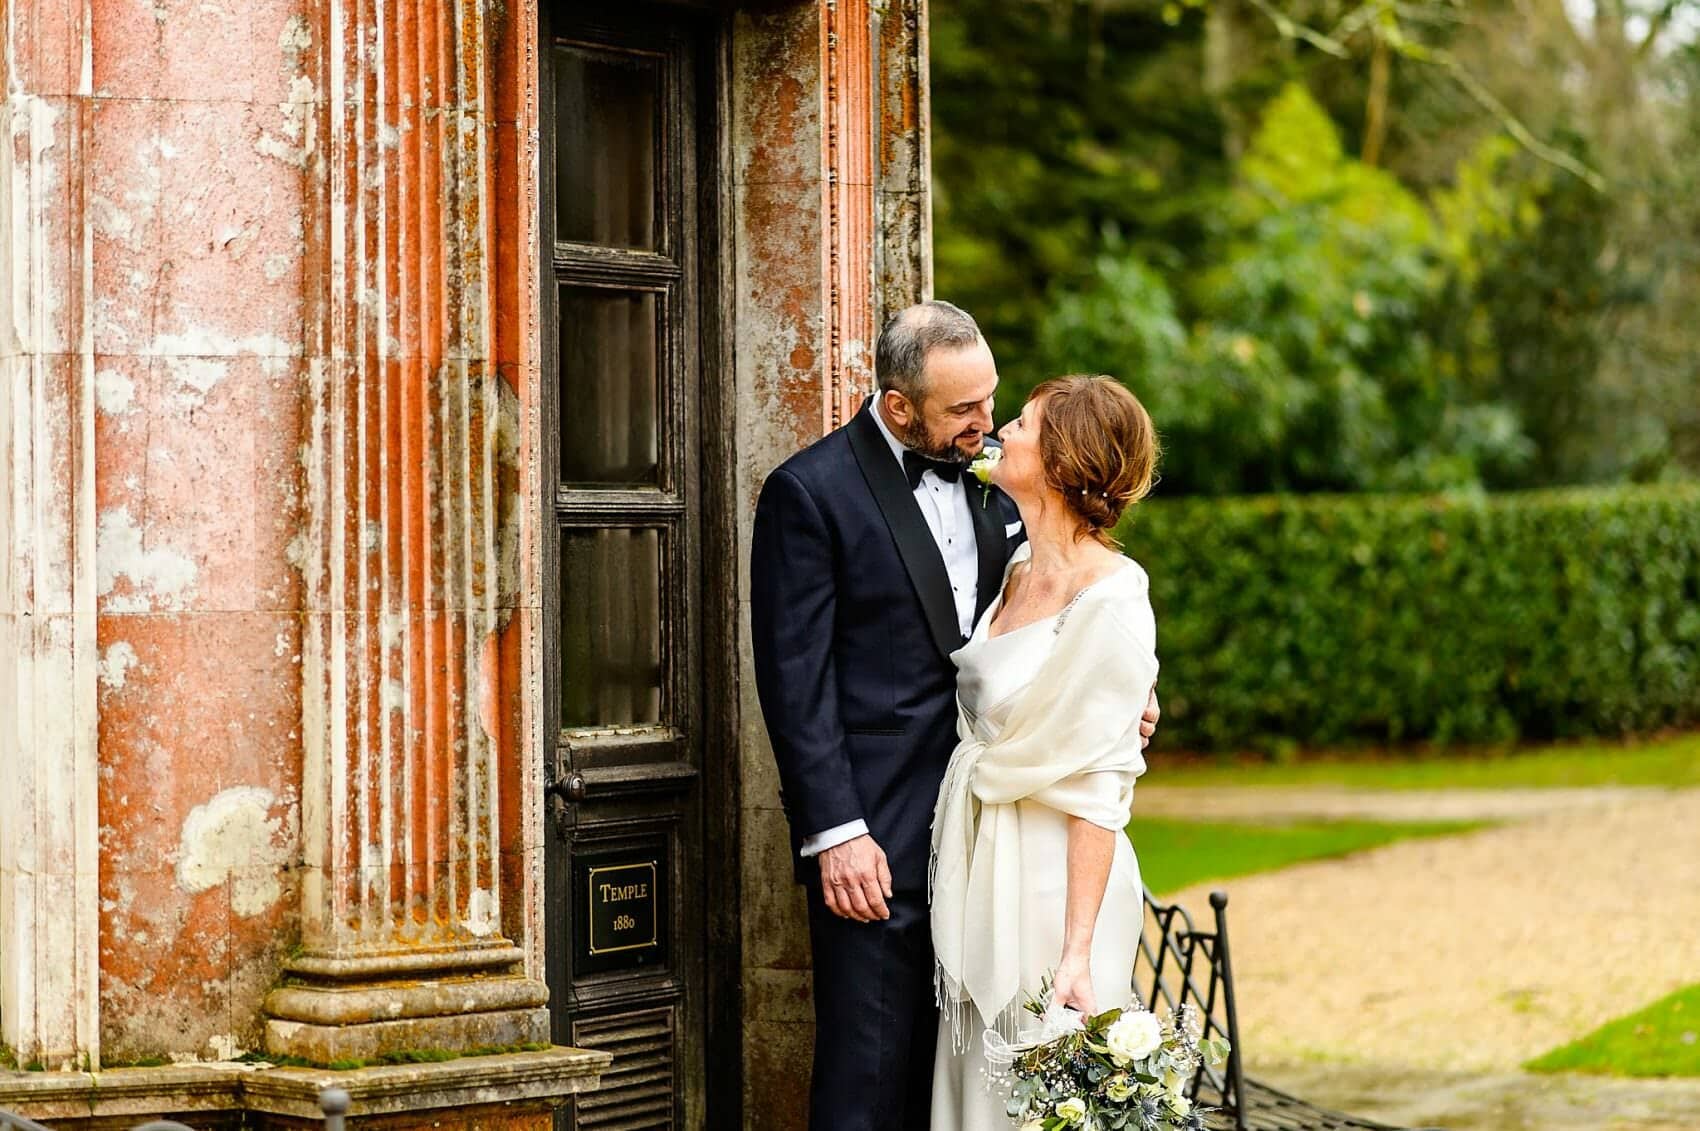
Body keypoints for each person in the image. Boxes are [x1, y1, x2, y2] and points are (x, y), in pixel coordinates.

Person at [750, 303, 1160, 1131]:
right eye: (965, 410)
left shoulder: (1004, 502)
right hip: (878, 846)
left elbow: (1080, 644)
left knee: (993, 1086)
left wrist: (1126, 703)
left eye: (997, 403)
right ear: (901, 407)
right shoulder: (811, 494)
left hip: (1003, 847)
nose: (987, 425)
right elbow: (795, 679)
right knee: (867, 1082)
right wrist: (836, 830)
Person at [929, 375, 1161, 1130]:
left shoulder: (1115, 597)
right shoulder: (1019, 568)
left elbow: (1099, 787)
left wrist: (1077, 952)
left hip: (1057, 888)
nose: (1003, 430)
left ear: (1062, 463)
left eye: (1023, 424)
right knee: (978, 1090)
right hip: (982, 867)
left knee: (1041, 1094)